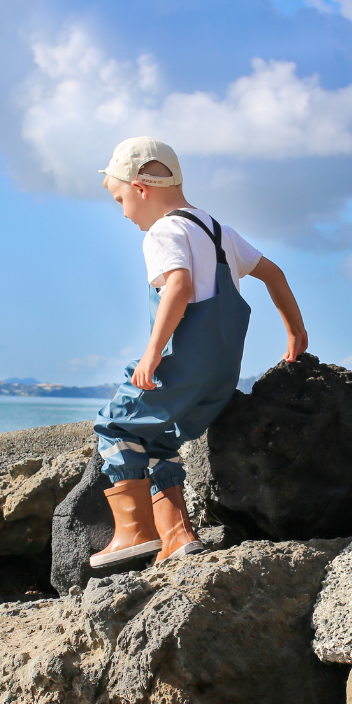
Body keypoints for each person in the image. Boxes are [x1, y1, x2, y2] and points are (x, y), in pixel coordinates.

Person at [89, 136, 307, 569]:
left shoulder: (163, 231)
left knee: (116, 425)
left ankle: (134, 533)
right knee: (158, 437)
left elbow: (179, 286)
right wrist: (295, 331)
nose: (124, 213)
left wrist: (152, 353)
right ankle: (177, 536)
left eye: (120, 201)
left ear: (140, 189)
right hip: (221, 374)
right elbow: (274, 274)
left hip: (182, 363)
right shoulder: (218, 231)